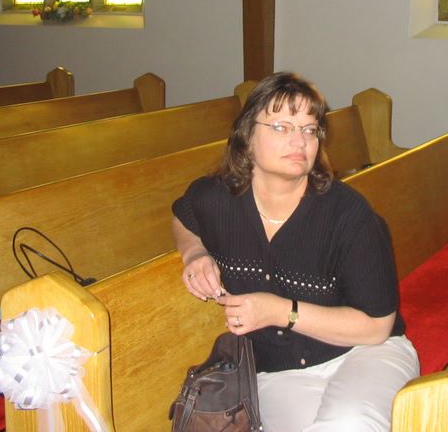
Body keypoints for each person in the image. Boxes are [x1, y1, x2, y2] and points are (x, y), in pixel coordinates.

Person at [171, 72, 419, 432]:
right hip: (278, 371)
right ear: (246, 136)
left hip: (365, 354)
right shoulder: (217, 197)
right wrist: (193, 253)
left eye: (309, 129)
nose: (299, 141)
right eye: (282, 127)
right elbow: (182, 216)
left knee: (346, 424)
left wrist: (280, 312)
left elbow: (377, 327)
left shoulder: (348, 214)